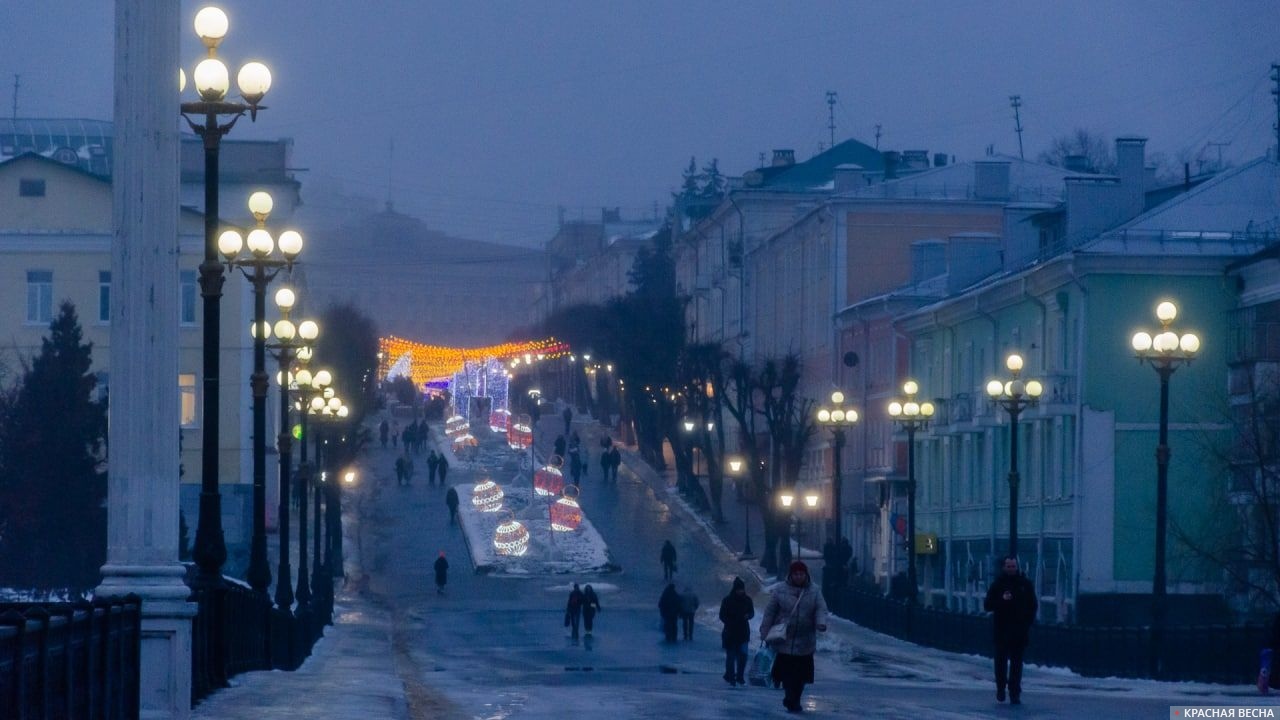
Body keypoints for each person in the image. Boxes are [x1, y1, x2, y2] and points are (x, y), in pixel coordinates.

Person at [760, 560, 829, 713]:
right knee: (787, 675)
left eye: (801, 574)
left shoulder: (814, 591)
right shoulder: (780, 590)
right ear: (791, 575)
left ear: (806, 575)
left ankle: (795, 698)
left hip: (805, 641)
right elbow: (770, 612)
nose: (799, 577)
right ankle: (790, 697)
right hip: (785, 639)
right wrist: (764, 632)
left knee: (801, 677)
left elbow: (820, 608)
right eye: (796, 574)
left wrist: (820, 623)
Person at [984, 555, 1037, 705]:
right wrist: (1001, 600)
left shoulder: (1025, 584)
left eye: (1013, 566)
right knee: (1000, 662)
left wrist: (1027, 622)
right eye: (1009, 566)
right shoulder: (998, 584)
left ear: (1017, 567)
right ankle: (1001, 688)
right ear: (1004, 567)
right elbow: (988, 604)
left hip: (1019, 631)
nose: (1011, 569)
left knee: (1016, 664)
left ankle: (1014, 692)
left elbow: (1033, 605)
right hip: (1001, 630)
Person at [719, 577, 754, 686]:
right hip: (730, 632)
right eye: (739, 589)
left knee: (743, 656)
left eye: (742, 589)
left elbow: (752, 612)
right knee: (731, 656)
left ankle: (740, 676)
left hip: (743, 632)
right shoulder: (727, 600)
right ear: (735, 589)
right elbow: (722, 615)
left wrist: (748, 616)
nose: (740, 591)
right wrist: (729, 621)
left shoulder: (747, 600)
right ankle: (730, 676)